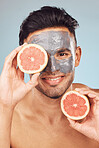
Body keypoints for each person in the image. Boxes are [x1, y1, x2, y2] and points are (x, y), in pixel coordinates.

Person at [0, 6, 99, 148]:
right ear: (25, 60)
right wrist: (5, 106)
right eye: (42, 57)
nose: (52, 69)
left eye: (62, 54)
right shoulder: (6, 115)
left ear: (77, 57)